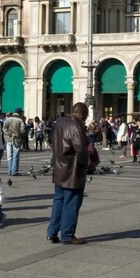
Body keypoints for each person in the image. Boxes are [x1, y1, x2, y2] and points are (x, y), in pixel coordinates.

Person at [46, 102, 90, 245]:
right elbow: (81, 150)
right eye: (87, 113)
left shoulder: (59, 122)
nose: (87, 117)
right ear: (81, 112)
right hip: (72, 171)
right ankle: (67, 235)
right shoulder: (77, 126)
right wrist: (87, 164)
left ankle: (52, 232)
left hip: (59, 168)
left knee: (59, 200)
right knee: (71, 202)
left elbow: (51, 140)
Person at [2, 109, 24, 177]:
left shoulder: (8, 119)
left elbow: (4, 128)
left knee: (9, 156)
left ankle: (9, 171)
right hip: (17, 139)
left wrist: (10, 134)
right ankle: (14, 171)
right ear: (20, 113)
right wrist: (18, 134)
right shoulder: (20, 120)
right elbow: (22, 130)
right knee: (15, 155)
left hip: (8, 139)